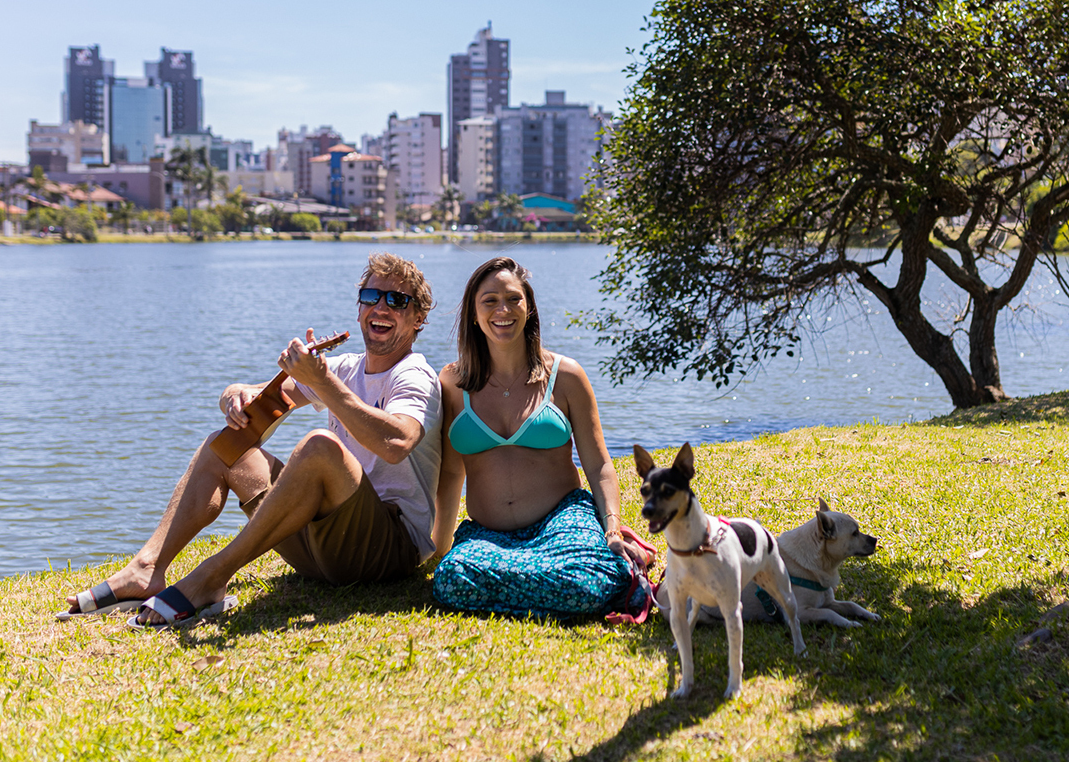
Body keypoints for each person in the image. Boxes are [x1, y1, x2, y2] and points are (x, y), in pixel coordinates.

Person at [60, 253, 442, 627]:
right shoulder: (345, 367)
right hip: (321, 551)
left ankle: (211, 577)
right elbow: (264, 397)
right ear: (359, 307)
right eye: (371, 297)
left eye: (397, 300)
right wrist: (234, 396)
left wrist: (323, 382)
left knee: (319, 446)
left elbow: (397, 443)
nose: (381, 308)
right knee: (224, 446)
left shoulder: (413, 375)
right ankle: (146, 568)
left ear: (418, 319)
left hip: (385, 553)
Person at [431, 257, 652, 619]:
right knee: (451, 578)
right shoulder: (453, 384)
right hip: (488, 533)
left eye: (514, 299)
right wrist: (439, 547)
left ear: (529, 308)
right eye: (489, 300)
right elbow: (453, 473)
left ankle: (592, 576)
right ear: (473, 313)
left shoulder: (565, 375)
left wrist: (612, 526)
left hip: (562, 520)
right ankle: (566, 587)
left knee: (585, 584)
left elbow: (598, 465)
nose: (503, 309)